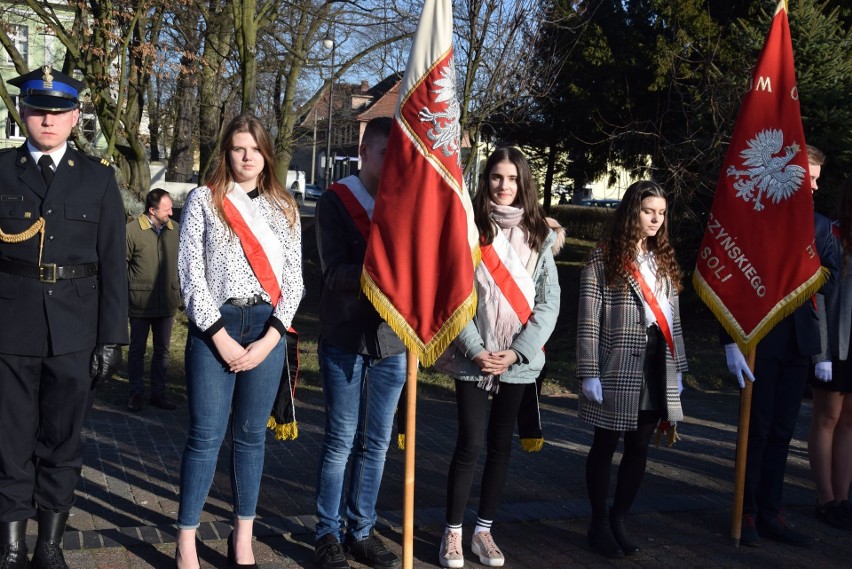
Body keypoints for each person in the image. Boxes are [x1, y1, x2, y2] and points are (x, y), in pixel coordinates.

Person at [0, 66, 128, 569]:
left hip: (76, 330)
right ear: (23, 113)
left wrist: (112, 339)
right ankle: (10, 546)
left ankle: (48, 543)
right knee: (8, 439)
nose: (47, 121)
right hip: (10, 327)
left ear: (75, 117)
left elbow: (114, 264)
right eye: (37, 110)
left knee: (63, 439)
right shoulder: (1, 170)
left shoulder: (98, 178)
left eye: (58, 113)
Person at [174, 113, 303, 569]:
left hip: (267, 329)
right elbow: (190, 276)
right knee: (205, 437)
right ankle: (186, 540)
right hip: (216, 329)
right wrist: (220, 338)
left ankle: (241, 538)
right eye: (237, 148)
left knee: (251, 439)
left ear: (266, 153)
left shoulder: (285, 207)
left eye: (254, 148)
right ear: (226, 153)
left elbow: (295, 282)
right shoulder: (203, 201)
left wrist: (271, 340)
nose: (246, 157)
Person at [434, 147, 560, 568]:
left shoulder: (541, 234)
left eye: (510, 179)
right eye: (495, 177)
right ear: (485, 180)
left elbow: (548, 304)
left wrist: (517, 352)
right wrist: (477, 350)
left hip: (518, 362)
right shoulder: (469, 229)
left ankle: (483, 532)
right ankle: (452, 534)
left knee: (500, 447)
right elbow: (457, 296)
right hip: (475, 357)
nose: (503, 186)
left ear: (523, 182)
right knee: (469, 444)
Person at [725, 144, 840, 546]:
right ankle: (748, 512)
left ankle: (771, 511)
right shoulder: (758, 219)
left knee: (781, 432)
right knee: (755, 431)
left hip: (798, 342)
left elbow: (831, 278)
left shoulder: (821, 226)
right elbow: (732, 282)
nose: (814, 185)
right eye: (808, 177)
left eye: (817, 180)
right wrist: (730, 340)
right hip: (760, 339)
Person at [313, 117, 406, 569]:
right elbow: (333, 273)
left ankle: (361, 530)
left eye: (398, 155)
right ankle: (327, 533)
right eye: (385, 152)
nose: (391, 162)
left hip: (392, 340)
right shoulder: (336, 201)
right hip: (346, 336)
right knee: (340, 441)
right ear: (365, 150)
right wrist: (385, 269)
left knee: (378, 442)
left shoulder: (406, 203)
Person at [577, 180, 687, 558]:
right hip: (617, 365)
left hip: (658, 362)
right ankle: (597, 522)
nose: (655, 219)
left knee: (639, 445)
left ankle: (619, 517)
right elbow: (588, 320)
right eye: (647, 211)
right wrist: (588, 371)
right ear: (631, 212)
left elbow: (674, 319)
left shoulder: (664, 258)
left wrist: (680, 369)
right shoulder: (603, 257)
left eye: (660, 213)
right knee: (605, 443)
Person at [810, 172, 852, 530]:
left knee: (850, 423)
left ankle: (843, 497)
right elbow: (818, 298)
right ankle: (825, 499)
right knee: (827, 418)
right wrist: (820, 354)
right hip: (835, 346)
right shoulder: (832, 236)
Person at [125, 188, 181, 412]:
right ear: (152, 210)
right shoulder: (131, 231)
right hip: (139, 302)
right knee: (137, 350)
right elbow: (120, 265)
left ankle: (159, 393)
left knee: (163, 351)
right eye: (166, 208)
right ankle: (135, 394)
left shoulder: (175, 230)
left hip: (167, 302)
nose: (171, 212)